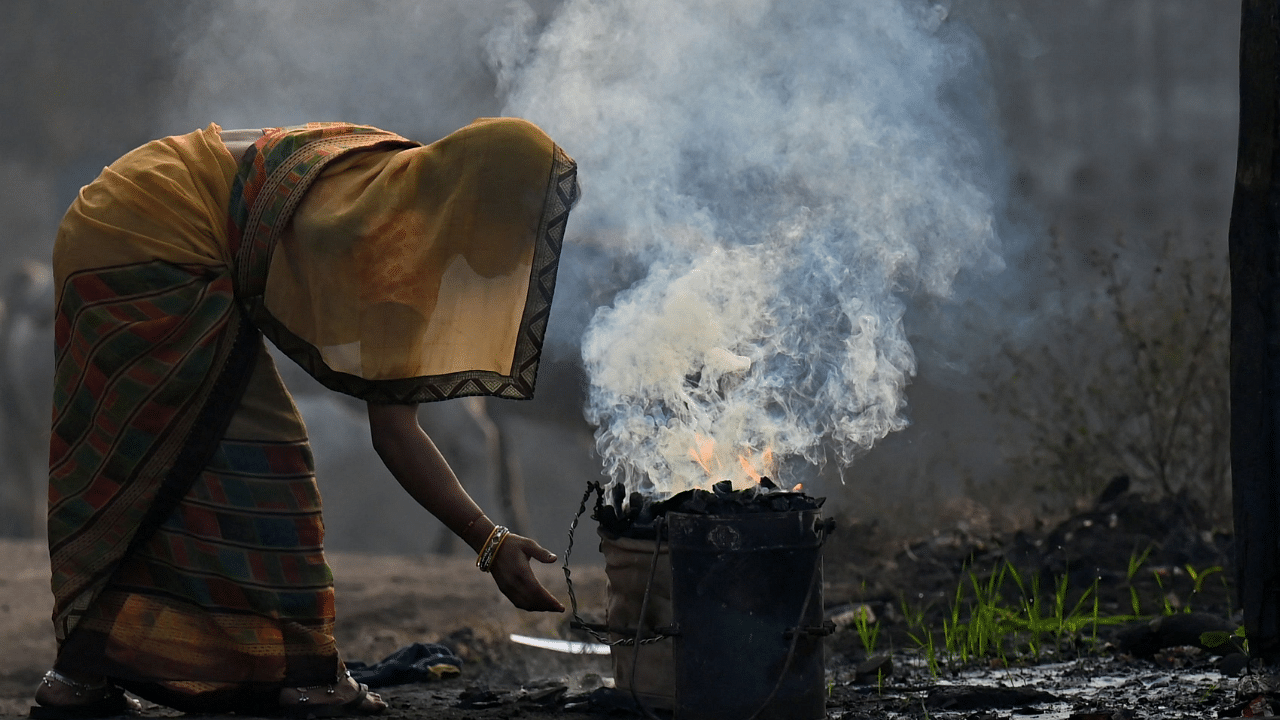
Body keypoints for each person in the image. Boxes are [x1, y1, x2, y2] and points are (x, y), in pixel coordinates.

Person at [31, 119, 579, 718]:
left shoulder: (392, 177)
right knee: (270, 457)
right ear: (481, 199)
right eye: (520, 221)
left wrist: (490, 540)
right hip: (155, 238)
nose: (523, 246)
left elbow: (396, 430)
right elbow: (395, 436)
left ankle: (77, 682)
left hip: (110, 211)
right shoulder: (390, 239)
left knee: (151, 469)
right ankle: (310, 679)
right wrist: (489, 540)